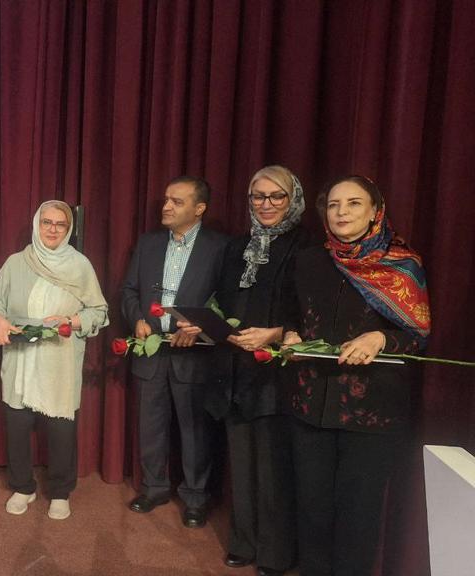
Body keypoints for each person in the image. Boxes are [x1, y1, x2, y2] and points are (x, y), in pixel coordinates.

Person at [282, 176, 430, 576]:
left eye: (353, 203)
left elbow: (417, 336)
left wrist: (381, 338)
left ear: (374, 211)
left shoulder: (402, 264)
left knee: (358, 515)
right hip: (311, 403)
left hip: (370, 413)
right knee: (311, 508)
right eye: (333, 205)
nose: (341, 212)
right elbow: (292, 314)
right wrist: (291, 335)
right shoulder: (310, 260)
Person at [0, 200, 108, 520]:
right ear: (37, 224)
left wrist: (71, 321)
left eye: (60, 224)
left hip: (59, 360)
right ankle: (23, 487)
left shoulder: (80, 266)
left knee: (61, 429)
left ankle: (60, 492)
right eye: (46, 222)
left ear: (68, 230)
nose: (52, 229)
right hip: (20, 359)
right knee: (18, 426)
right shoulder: (16, 262)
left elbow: (99, 311)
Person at [208, 166, 306, 575]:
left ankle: (275, 554)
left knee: (272, 470)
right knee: (242, 466)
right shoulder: (238, 246)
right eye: (257, 196)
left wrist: (277, 333)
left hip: (276, 373)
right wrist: (214, 326)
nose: (266, 204)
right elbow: (223, 302)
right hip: (235, 369)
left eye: (276, 196)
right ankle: (243, 543)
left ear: (293, 199)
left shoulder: (307, 247)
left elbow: (312, 313)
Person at [120, 175, 227, 527]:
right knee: (150, 425)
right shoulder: (149, 243)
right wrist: (137, 319)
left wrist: (200, 327)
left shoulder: (220, 247)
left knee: (195, 430)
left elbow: (226, 302)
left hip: (193, 353)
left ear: (199, 208)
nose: (166, 206)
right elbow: (129, 290)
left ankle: (195, 497)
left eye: (177, 202)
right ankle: (154, 487)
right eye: (166, 199)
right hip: (151, 350)